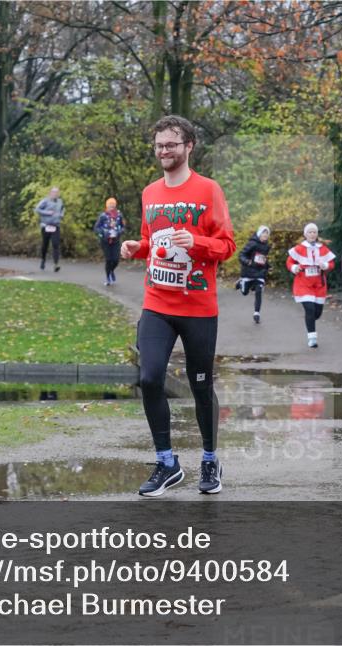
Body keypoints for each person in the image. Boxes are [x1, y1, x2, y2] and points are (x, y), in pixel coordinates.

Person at [120, 115, 236, 497]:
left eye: (171, 144)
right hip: (157, 304)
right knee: (150, 378)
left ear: (189, 146)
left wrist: (197, 243)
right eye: (159, 146)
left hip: (199, 308)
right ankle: (167, 462)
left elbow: (227, 246)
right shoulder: (150, 192)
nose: (164, 151)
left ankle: (208, 458)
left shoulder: (208, 190)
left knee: (200, 388)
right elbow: (152, 241)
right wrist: (137, 248)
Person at [287, 223, 335, 348]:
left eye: (314, 232)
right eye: (310, 232)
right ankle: (312, 338)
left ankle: (310, 321)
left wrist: (325, 265)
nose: (312, 234)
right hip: (303, 284)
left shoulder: (322, 248)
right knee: (309, 309)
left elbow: (331, 263)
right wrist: (294, 267)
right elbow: (289, 261)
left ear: (317, 234)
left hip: (319, 285)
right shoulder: (299, 248)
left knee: (317, 313)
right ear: (305, 234)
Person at [237, 225, 271, 323]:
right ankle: (241, 283)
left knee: (259, 290)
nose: (265, 235)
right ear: (259, 234)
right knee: (244, 293)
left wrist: (268, 266)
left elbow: (262, 258)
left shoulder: (267, 246)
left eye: (267, 234)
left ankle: (257, 313)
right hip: (248, 271)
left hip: (260, 272)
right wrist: (247, 262)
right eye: (264, 233)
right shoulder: (252, 243)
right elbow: (241, 255)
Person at [94, 197, 124, 286]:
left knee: (115, 260)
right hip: (105, 241)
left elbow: (123, 227)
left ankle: (111, 271)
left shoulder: (119, 215)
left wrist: (119, 232)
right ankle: (108, 278)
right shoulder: (103, 216)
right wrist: (103, 233)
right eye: (110, 205)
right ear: (107, 206)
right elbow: (96, 228)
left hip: (116, 240)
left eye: (113, 205)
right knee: (108, 259)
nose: (112, 207)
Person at [36, 187, 64, 272]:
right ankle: (43, 260)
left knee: (56, 244)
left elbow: (62, 209)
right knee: (45, 244)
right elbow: (37, 209)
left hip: (56, 225)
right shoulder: (45, 201)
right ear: (50, 193)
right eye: (54, 193)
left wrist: (61, 215)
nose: (55, 194)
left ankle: (56, 264)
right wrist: (47, 213)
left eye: (57, 193)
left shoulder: (60, 201)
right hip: (46, 225)